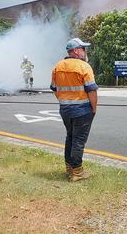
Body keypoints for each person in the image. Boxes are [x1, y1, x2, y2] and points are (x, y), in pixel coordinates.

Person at [50, 38, 98, 182]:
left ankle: (69, 169)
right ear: (76, 51)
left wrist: (64, 101)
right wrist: (93, 109)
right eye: (83, 49)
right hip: (82, 110)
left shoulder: (57, 67)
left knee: (70, 138)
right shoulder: (84, 67)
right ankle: (77, 172)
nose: (85, 52)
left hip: (65, 110)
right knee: (78, 140)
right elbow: (92, 91)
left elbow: (54, 88)